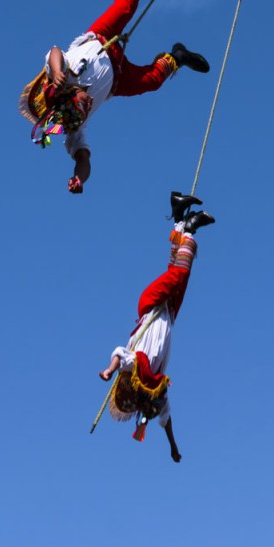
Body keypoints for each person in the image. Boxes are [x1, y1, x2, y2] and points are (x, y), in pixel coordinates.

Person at [19, 0, 210, 194]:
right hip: (118, 79)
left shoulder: (64, 77)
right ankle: (177, 57)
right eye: (87, 108)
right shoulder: (74, 123)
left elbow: (54, 52)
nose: (89, 106)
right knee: (151, 81)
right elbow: (83, 158)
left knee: (127, 5)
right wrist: (79, 179)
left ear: (70, 95)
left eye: (84, 103)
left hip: (101, 37)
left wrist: (56, 72)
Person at [99, 191, 215, 462]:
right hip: (168, 314)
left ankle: (189, 227)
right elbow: (167, 420)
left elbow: (119, 352)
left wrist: (109, 370)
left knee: (178, 274)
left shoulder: (135, 369)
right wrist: (173, 447)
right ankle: (179, 218)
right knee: (179, 274)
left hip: (150, 306)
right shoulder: (156, 388)